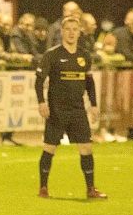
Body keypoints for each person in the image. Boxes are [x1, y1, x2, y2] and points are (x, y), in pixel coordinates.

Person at [35, 17, 107, 200]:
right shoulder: (52, 55)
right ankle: (43, 187)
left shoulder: (84, 56)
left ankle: (91, 189)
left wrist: (94, 104)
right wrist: (41, 102)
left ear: (79, 32)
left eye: (75, 29)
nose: (71, 32)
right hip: (57, 110)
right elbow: (39, 81)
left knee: (86, 148)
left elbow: (89, 83)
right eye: (68, 29)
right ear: (62, 31)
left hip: (77, 110)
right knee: (49, 148)